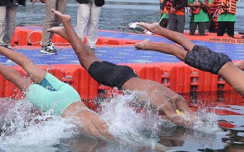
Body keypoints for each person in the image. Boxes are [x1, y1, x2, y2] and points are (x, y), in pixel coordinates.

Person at [133, 22, 244, 122]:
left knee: (189, 45)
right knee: (179, 52)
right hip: (217, 66)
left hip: (225, 60)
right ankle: (147, 44)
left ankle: (157, 29)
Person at [47, 10, 195, 126]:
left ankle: (66, 34)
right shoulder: (164, 105)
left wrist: (195, 121)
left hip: (128, 73)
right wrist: (195, 127)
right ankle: (66, 23)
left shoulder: (175, 97)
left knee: (91, 58)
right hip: (118, 79)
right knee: (86, 59)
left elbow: (182, 107)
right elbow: (175, 118)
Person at [0, 38, 113, 140]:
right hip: (56, 105)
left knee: (28, 64)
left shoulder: (109, 125)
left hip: (70, 95)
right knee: (20, 81)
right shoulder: (102, 133)